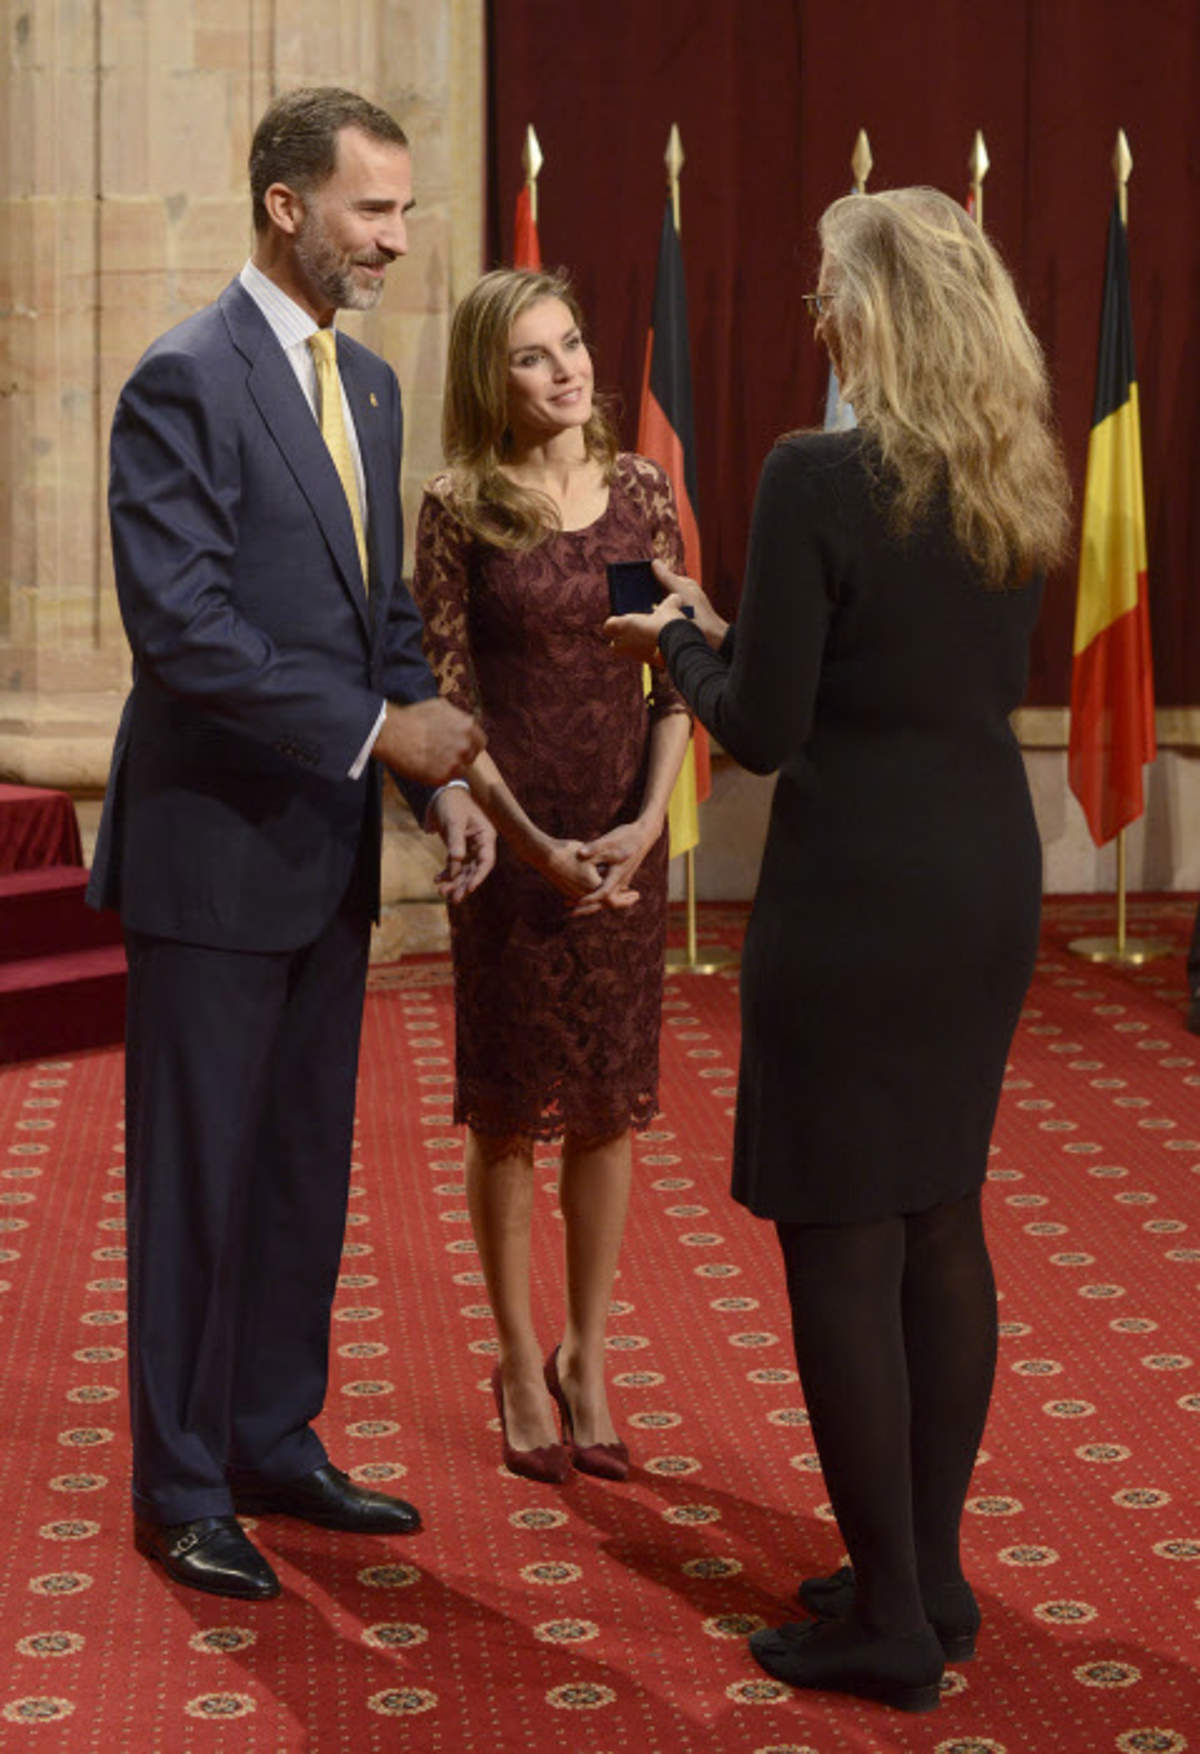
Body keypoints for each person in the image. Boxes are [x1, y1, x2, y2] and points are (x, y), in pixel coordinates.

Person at [607, 188, 1070, 1711]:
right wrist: (732, 633)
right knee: (940, 1212)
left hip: (860, 894)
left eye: (828, 286)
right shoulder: (1005, 467)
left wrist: (670, 634)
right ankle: (924, 1575)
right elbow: (889, 665)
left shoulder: (817, 471)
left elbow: (767, 722)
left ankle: (887, 1627)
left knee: (840, 1238)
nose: (816, 312)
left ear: (881, 305)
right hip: (985, 872)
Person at [87, 87, 494, 1602]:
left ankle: (271, 1434)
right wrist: (385, 736)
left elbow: (378, 620)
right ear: (286, 206)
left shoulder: (370, 386)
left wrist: (432, 783)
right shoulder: (184, 379)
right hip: (208, 856)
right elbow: (182, 631)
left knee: (300, 1170)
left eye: (399, 210)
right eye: (371, 211)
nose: (395, 236)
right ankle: (182, 1480)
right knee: (196, 1178)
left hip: (324, 850)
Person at [411, 268, 691, 1484]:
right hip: (516, 852)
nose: (567, 367)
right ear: (492, 377)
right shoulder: (460, 505)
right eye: (533, 354)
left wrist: (644, 827)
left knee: (609, 1105)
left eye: (571, 341)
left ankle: (592, 1355)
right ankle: (520, 1357)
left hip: (624, 844)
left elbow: (672, 675)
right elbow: (451, 704)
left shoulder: (637, 495)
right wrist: (535, 847)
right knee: (514, 1108)